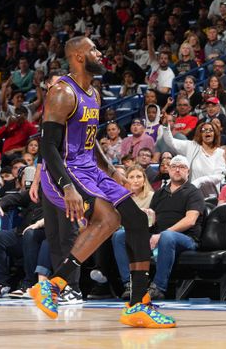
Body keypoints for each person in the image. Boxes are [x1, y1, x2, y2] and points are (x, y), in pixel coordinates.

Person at [30, 36, 175, 328]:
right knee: (108, 219)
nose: (101, 53)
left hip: (91, 169)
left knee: (135, 218)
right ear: (79, 57)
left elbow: (91, 139)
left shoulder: (94, 94)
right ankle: (53, 284)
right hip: (65, 171)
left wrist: (110, 168)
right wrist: (67, 186)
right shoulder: (61, 93)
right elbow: (47, 147)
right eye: (94, 49)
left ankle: (138, 304)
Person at [115, 155, 204, 301]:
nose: (177, 170)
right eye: (174, 166)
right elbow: (152, 220)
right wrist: (147, 217)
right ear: (168, 170)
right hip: (156, 235)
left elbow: (190, 220)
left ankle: (158, 287)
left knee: (167, 237)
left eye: (182, 167)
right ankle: (130, 284)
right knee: (120, 235)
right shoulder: (160, 193)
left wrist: (162, 234)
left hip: (186, 239)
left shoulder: (194, 192)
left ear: (188, 171)